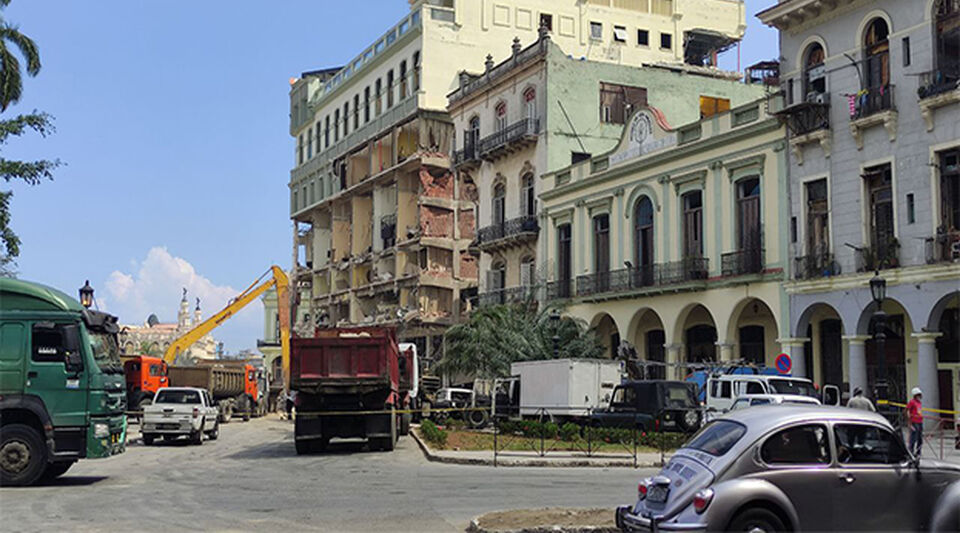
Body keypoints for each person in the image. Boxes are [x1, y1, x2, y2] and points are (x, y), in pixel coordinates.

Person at [906, 387, 924, 456]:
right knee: (913, 438)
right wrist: (909, 422)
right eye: (918, 395)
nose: (920, 396)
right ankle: (911, 452)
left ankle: (918, 452)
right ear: (915, 395)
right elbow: (907, 410)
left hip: (920, 422)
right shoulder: (912, 402)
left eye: (920, 395)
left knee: (920, 439)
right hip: (914, 422)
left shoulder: (919, 403)